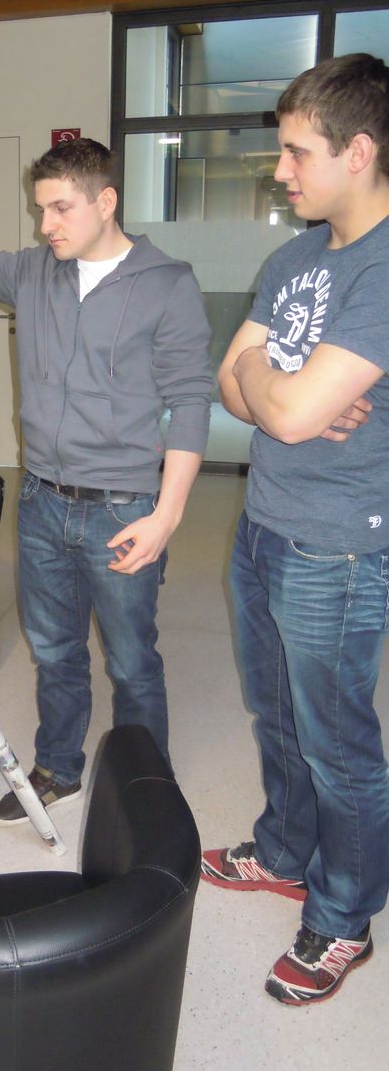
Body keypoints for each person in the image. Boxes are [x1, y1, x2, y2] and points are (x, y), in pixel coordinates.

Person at [0, 138, 212, 825]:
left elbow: (192, 402)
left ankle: (146, 789)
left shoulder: (167, 284)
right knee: (55, 651)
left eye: (61, 208)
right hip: (42, 501)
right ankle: (59, 767)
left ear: (107, 201)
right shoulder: (34, 271)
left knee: (131, 662)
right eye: (41, 209)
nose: (46, 225)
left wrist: (166, 516)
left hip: (124, 508)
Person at [204, 52, 389, 1006]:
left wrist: (273, 385)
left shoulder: (383, 268)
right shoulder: (294, 258)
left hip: (339, 546)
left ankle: (345, 916)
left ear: (359, 152)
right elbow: (235, 387)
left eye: (296, 153)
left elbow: (271, 405)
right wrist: (283, 387)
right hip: (264, 524)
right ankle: (284, 852)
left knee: (338, 744)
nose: (281, 172)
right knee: (275, 714)